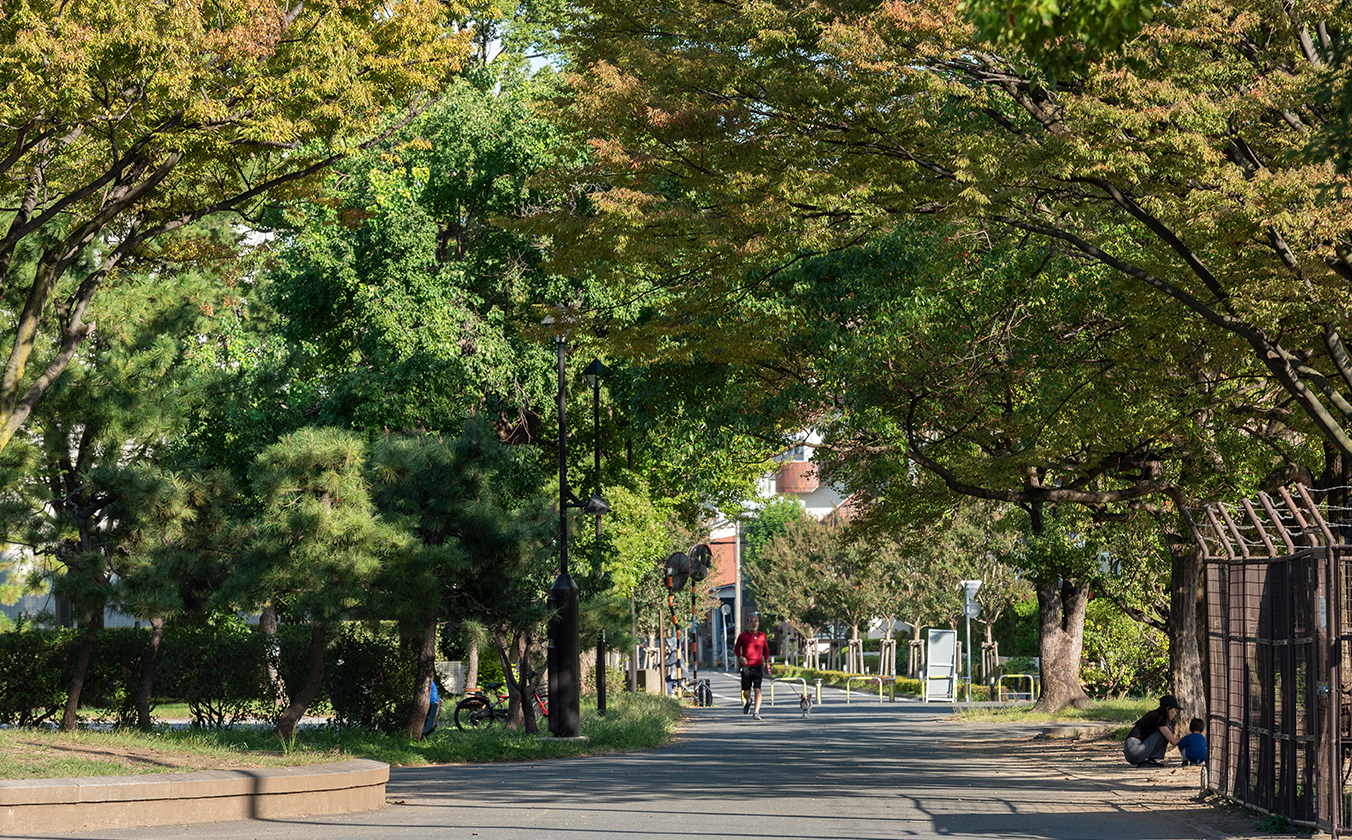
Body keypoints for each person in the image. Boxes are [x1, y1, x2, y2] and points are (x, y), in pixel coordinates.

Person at [1124, 694, 1183, 767]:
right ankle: (1149, 760)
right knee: (1167, 731)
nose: (1175, 713)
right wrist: (1190, 737)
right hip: (1135, 751)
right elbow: (1173, 741)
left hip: (1129, 751)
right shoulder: (1159, 720)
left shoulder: (1153, 715)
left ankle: (1148, 760)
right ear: (1168, 709)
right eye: (1175, 710)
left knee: (1167, 730)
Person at [734, 612, 771, 720]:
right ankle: (748, 701)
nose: (754, 624)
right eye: (751, 621)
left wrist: (767, 661)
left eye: (756, 621)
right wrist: (740, 657)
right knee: (746, 691)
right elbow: (736, 648)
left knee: (757, 689)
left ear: (758, 623)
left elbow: (766, 649)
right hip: (746, 666)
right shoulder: (743, 635)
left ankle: (756, 712)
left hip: (758, 666)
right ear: (748, 623)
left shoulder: (762, 636)